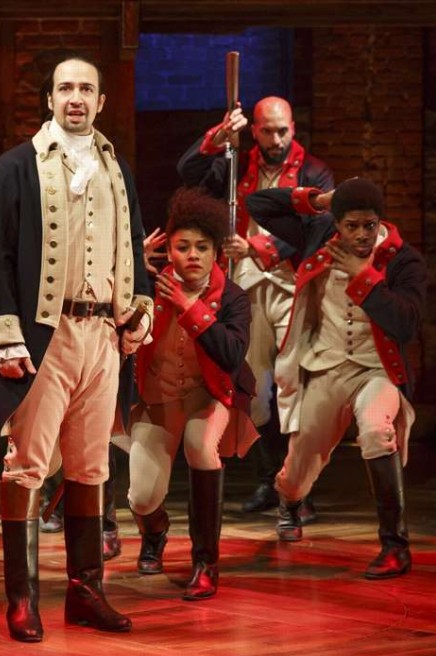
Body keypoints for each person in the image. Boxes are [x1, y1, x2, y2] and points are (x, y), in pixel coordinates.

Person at [0, 54, 152, 642]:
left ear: (101, 101)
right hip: (42, 334)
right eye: (65, 89)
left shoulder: (116, 169)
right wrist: (5, 338)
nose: (75, 98)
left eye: (86, 89)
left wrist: (141, 308)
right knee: (26, 465)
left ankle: (85, 591)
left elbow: (132, 247)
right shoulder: (13, 167)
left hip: (103, 334)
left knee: (90, 466)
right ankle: (22, 597)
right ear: (50, 99)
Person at [246, 178, 426, 579]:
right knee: (297, 471)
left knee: (378, 430)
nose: (361, 235)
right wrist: (317, 200)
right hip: (325, 366)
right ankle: (290, 502)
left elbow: (406, 323)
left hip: (376, 369)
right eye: (352, 226)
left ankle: (395, 546)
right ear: (337, 223)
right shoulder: (317, 233)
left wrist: (365, 275)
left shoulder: (402, 259)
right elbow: (258, 205)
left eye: (369, 225)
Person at [178, 97, 333, 517]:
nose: (276, 139)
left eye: (282, 131)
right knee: (256, 385)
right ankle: (269, 481)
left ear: (293, 128)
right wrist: (217, 137)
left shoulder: (313, 171)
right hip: (244, 285)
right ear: (256, 131)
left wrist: (260, 246)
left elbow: (317, 225)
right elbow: (188, 173)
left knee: (293, 385)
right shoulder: (235, 164)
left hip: (290, 282)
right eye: (267, 131)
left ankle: (299, 488)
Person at [128, 187, 257, 600]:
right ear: (169, 250)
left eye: (202, 247)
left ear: (217, 252)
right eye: (183, 247)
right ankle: (155, 531)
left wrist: (189, 306)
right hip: (158, 397)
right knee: (143, 496)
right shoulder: (148, 286)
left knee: (201, 446)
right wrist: (133, 265)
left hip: (208, 396)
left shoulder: (233, 298)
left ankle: (206, 563)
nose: (193, 255)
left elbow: (231, 355)